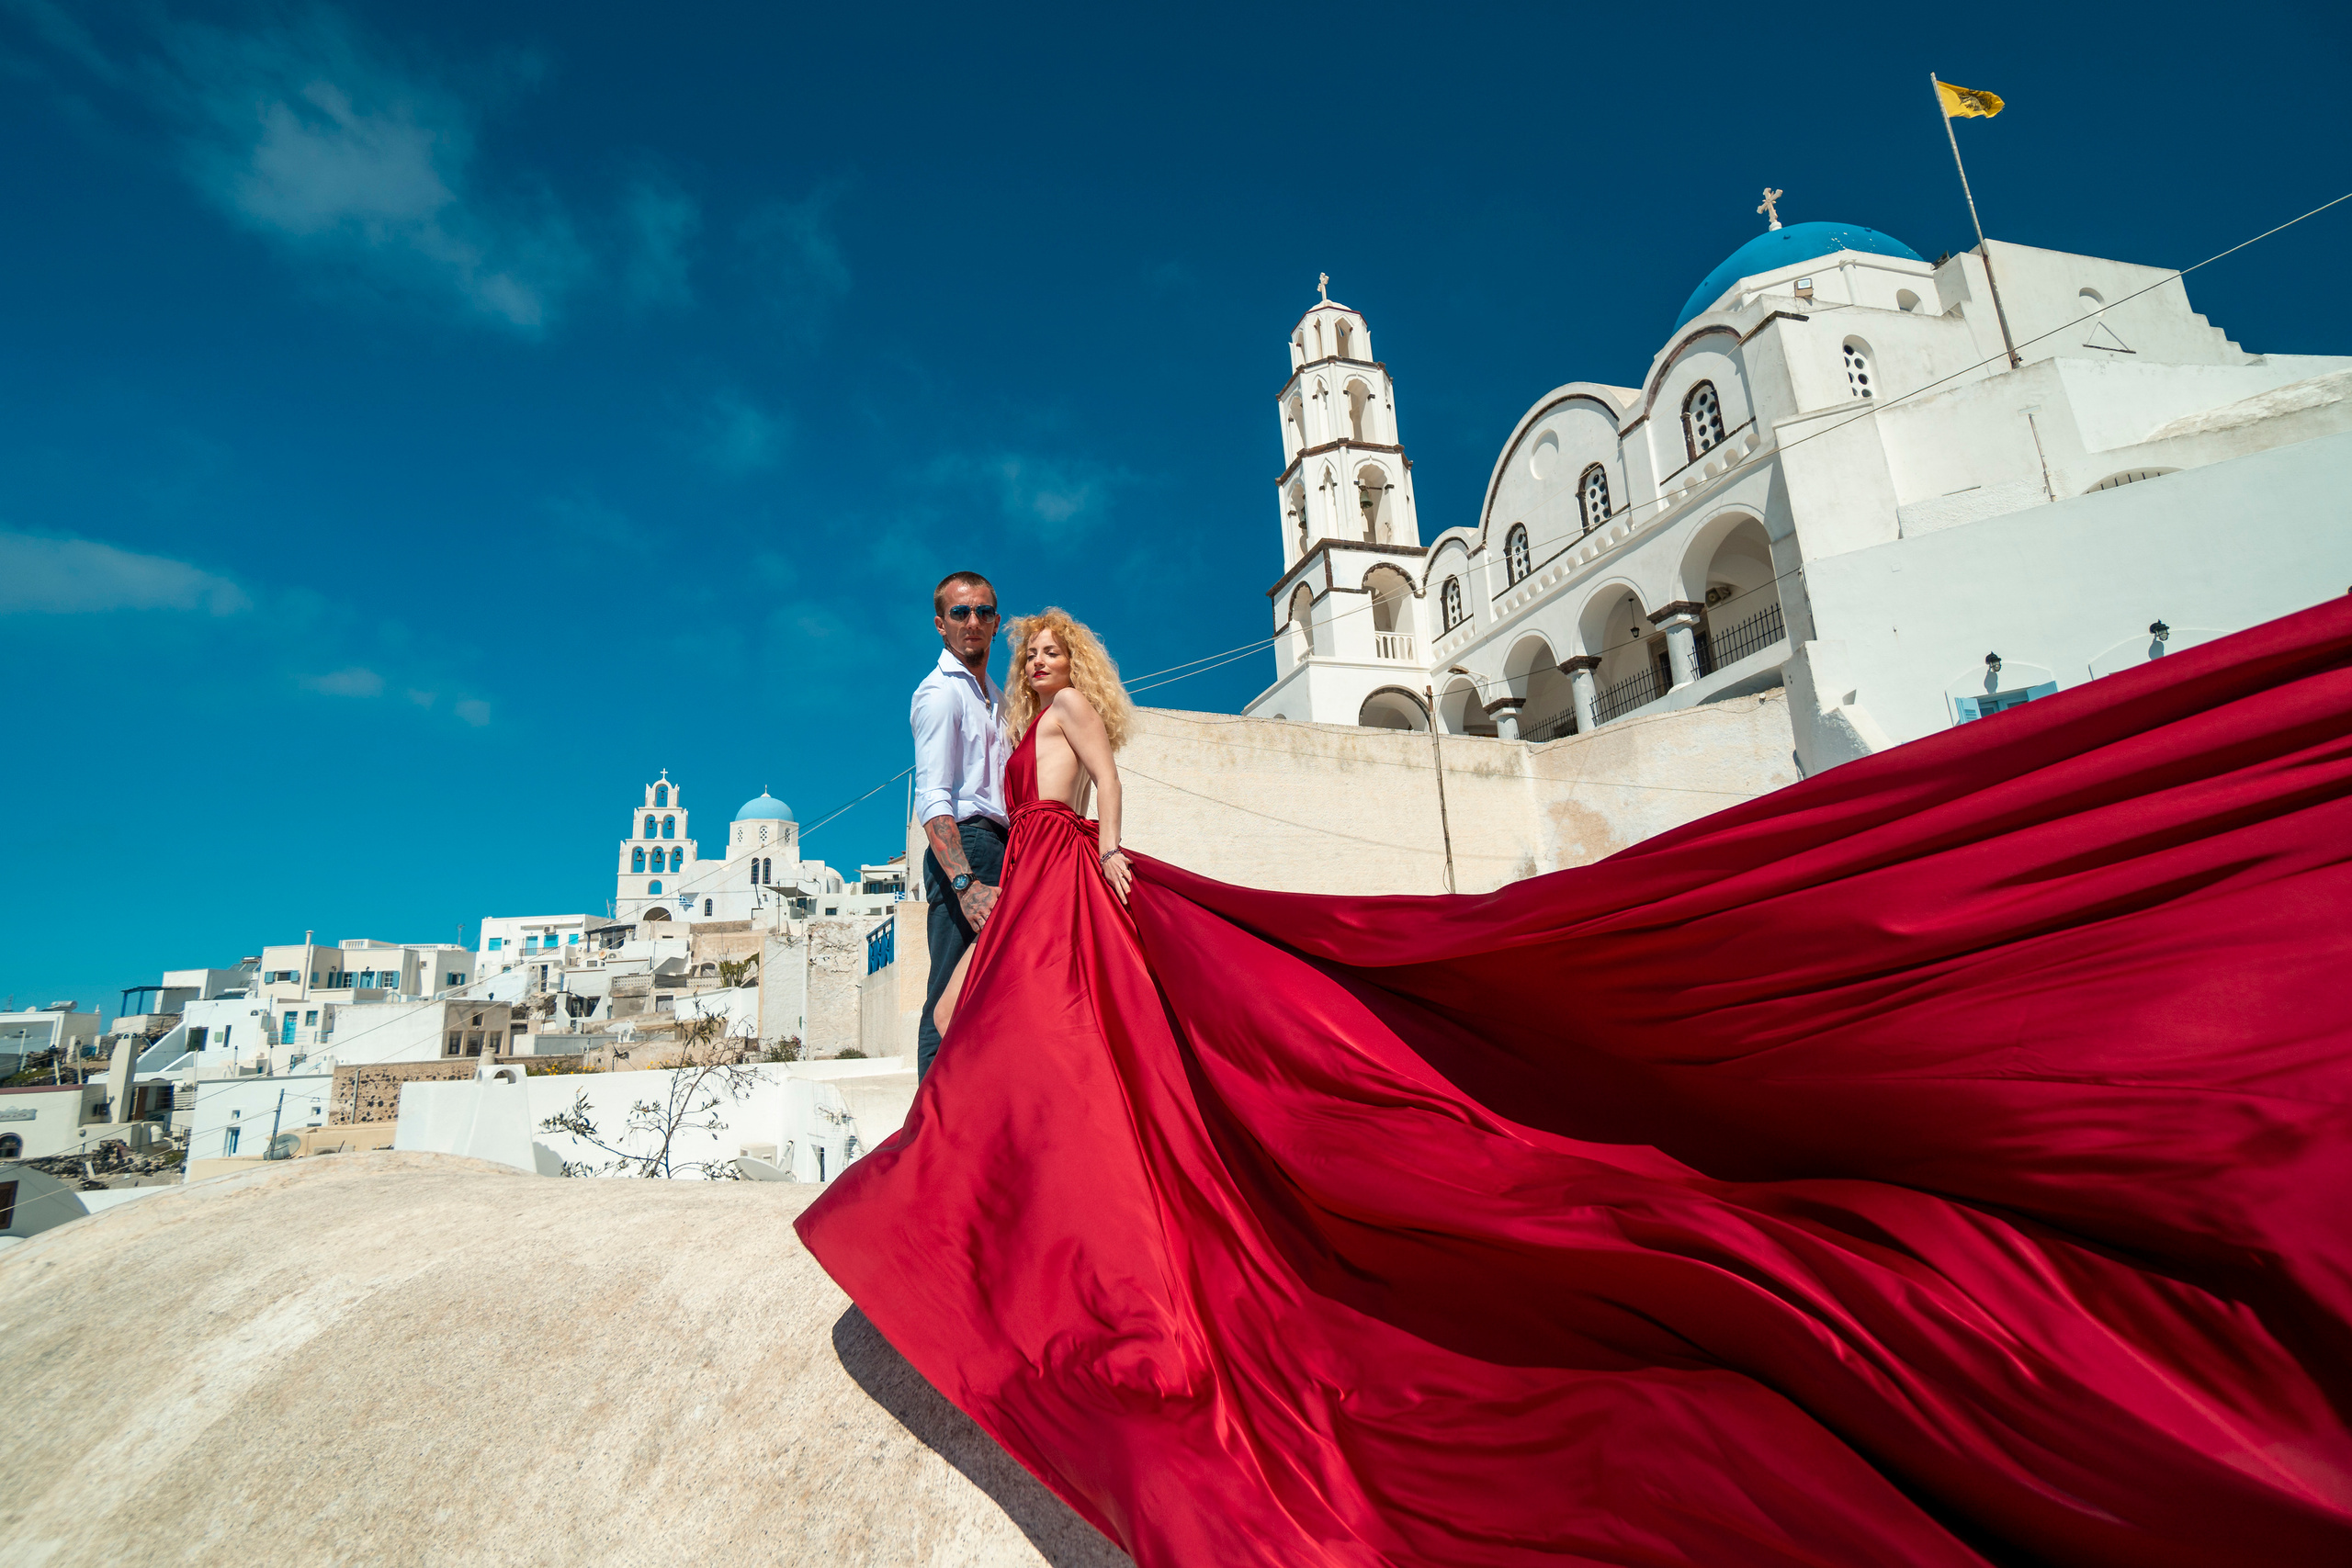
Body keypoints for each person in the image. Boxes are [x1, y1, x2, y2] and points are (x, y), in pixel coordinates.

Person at [804, 597, 2352, 1567]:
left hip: (1070, 876)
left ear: (1074, 659)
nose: (1039, 658)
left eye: (1049, 644)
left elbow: (1108, 791)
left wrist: (1117, 862)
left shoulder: (1069, 716)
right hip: (1036, 878)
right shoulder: (1003, 719)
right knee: (1009, 1027)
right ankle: (978, 1166)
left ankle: (984, 1186)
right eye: (1025, 646)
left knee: (1042, 1035)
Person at [930, 607, 1131, 1039]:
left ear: (1074, 663)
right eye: (1031, 654)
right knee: (953, 1012)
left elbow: (1108, 779)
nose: (1038, 661)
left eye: (1052, 653)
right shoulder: (1034, 725)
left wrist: (1109, 850)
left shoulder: (1069, 702)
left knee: (962, 1010)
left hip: (1051, 859)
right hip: (1024, 862)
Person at [909, 570, 1010, 1079]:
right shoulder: (940, 693)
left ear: (996, 622)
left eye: (983, 611)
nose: (973, 621)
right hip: (965, 850)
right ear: (940, 624)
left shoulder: (997, 697)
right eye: (960, 612)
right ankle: (927, 1121)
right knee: (948, 996)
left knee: (992, 998)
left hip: (1003, 848)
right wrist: (965, 884)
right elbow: (933, 798)